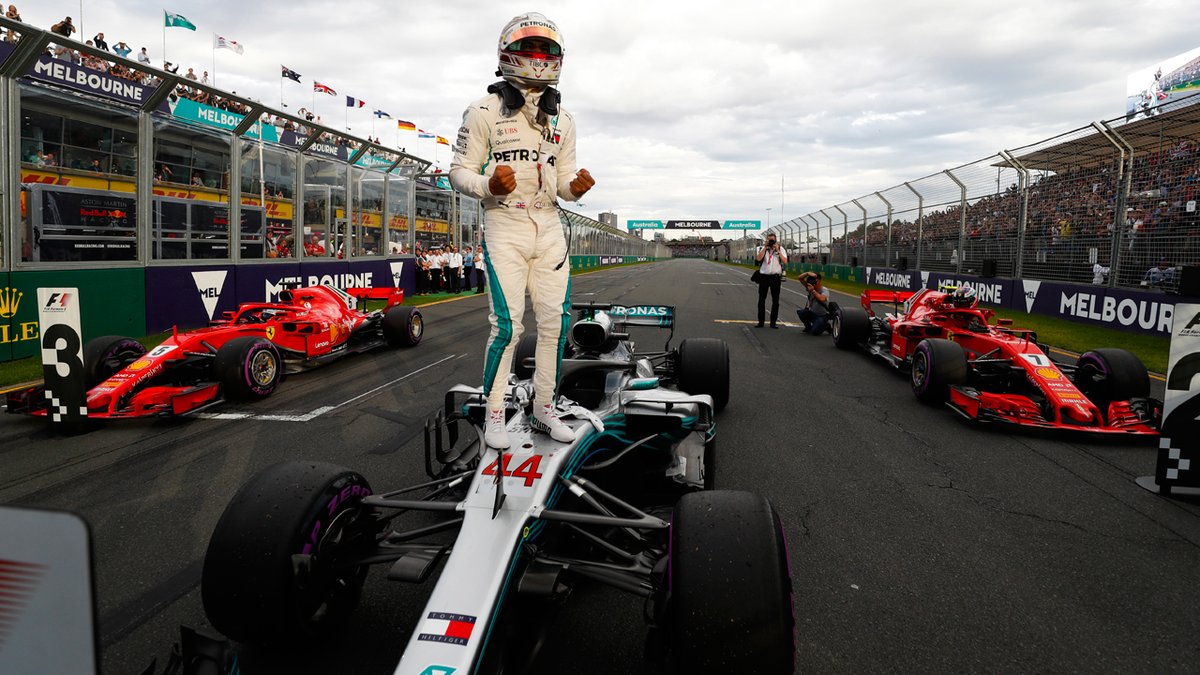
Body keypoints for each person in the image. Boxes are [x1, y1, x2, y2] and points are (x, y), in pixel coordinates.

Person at [450, 12, 595, 448]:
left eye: (546, 50)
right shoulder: (482, 111)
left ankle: (545, 407)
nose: (538, 57)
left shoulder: (564, 120)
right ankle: (495, 411)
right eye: (530, 48)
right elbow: (458, 172)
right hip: (505, 223)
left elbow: (565, 183)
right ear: (508, 53)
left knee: (555, 324)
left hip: (549, 225)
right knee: (508, 327)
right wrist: (487, 184)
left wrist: (576, 187)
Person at [754, 233, 787, 328]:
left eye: (772, 240)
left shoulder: (781, 249)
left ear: (776, 240)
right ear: (766, 240)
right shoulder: (763, 249)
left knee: (775, 301)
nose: (771, 242)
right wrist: (765, 247)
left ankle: (773, 322)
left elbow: (785, 261)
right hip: (764, 276)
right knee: (761, 300)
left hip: (775, 277)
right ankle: (761, 322)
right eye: (769, 240)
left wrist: (777, 250)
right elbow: (758, 258)